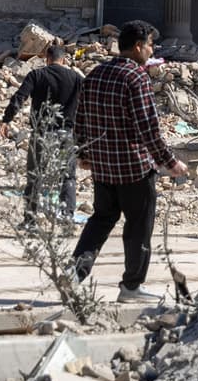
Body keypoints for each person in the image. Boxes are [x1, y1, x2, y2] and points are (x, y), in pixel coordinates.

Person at [69, 20, 188, 302]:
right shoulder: (136, 77)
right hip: (134, 168)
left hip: (103, 167)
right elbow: (148, 127)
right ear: (137, 47)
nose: (152, 50)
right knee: (138, 226)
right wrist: (170, 163)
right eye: (150, 45)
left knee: (101, 219)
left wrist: (85, 154)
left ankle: (73, 274)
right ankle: (131, 287)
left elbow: (81, 118)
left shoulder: (95, 74)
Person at [0, 43, 82, 228]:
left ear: (47, 59)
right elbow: (87, 105)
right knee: (68, 176)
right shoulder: (76, 78)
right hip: (66, 134)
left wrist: (7, 120)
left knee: (35, 175)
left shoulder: (37, 75)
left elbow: (19, 97)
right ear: (64, 59)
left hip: (42, 133)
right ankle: (67, 216)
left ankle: (30, 221)